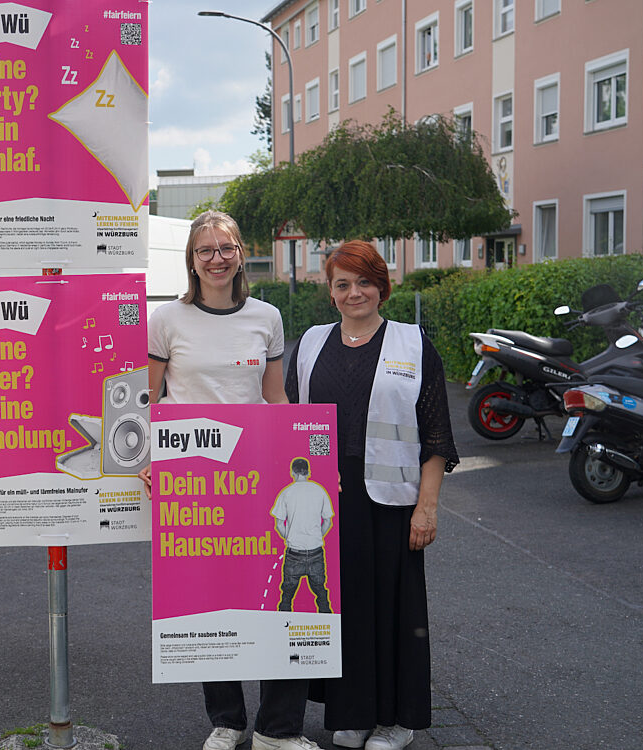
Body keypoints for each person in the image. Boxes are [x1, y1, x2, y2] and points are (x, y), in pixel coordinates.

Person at [140, 210, 310, 750]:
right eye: (204, 250)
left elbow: (277, 397)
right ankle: (228, 721)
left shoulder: (267, 316)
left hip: (257, 472)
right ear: (191, 261)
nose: (216, 258)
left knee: (279, 595)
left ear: (240, 253)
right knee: (211, 595)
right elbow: (150, 399)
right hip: (195, 479)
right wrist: (147, 458)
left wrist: (296, 458)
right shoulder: (166, 321)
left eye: (226, 247)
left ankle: (278, 730)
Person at [287, 240, 458, 750]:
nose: (354, 292)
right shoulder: (313, 343)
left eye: (364, 282)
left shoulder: (412, 343)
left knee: (395, 607)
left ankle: (397, 720)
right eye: (343, 283)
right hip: (329, 499)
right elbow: (292, 420)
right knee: (344, 607)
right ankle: (355, 712)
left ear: (382, 286)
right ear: (330, 292)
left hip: (392, 498)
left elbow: (437, 436)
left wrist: (426, 508)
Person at [271, 457, 334, 614]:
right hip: (316, 551)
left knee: (286, 598)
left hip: (294, 553)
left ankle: (281, 632)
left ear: (292, 472)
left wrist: (290, 537)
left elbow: (279, 524)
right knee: (322, 596)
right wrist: (318, 536)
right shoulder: (320, 490)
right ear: (308, 471)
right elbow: (328, 521)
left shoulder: (286, 492)